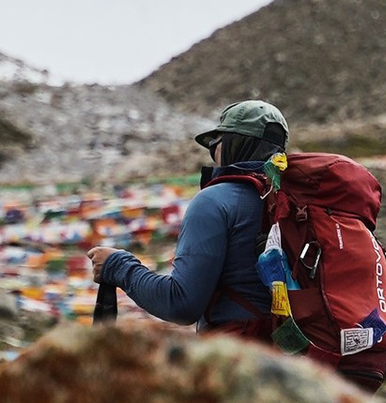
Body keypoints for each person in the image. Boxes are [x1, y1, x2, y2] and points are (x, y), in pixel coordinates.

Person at [87, 98, 290, 346]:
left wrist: (117, 266)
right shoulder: (297, 199)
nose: (214, 152)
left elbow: (180, 304)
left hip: (239, 362)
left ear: (233, 144)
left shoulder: (215, 200)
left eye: (216, 143)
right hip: (306, 363)